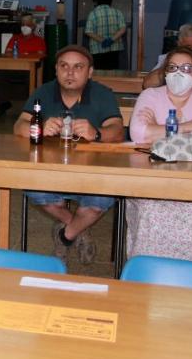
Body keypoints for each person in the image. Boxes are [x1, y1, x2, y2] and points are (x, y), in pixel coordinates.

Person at [12, 45, 126, 266]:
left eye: (78, 67)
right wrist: (40, 126)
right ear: (56, 70)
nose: (70, 73)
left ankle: (65, 236)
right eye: (64, 66)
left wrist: (97, 133)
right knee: (32, 188)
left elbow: (118, 131)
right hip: (52, 171)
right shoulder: (43, 92)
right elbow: (19, 126)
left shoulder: (103, 94)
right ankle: (79, 229)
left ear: (90, 72)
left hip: (93, 173)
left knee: (103, 197)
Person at [127, 46, 192, 263]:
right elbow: (137, 133)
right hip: (151, 176)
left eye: (186, 68)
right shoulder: (150, 95)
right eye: (172, 67)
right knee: (151, 209)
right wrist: (190, 125)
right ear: (164, 73)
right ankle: (147, 272)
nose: (178, 73)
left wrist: (156, 129)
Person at [0, 14, 47, 117]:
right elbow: (8, 53)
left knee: (30, 79)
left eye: (27, 24)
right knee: (0, 76)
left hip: (30, 70)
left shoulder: (39, 41)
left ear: (33, 26)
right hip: (14, 68)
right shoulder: (15, 38)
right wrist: (26, 54)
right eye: (22, 24)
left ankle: (30, 108)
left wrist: (23, 55)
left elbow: (40, 56)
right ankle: (3, 105)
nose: (24, 27)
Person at [84, 0, 127, 70]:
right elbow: (123, 29)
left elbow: (88, 31)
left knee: (99, 73)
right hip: (114, 49)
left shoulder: (93, 14)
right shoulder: (117, 12)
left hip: (97, 49)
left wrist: (102, 40)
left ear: (95, 1)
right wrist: (111, 40)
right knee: (113, 72)